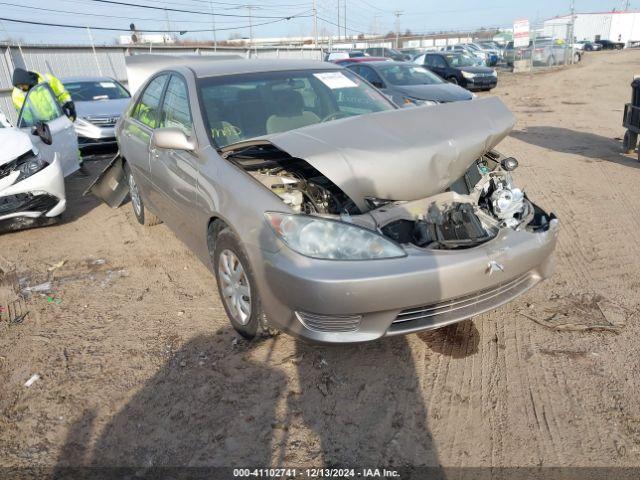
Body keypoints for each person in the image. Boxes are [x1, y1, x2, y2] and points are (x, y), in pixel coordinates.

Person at [12, 68, 76, 121]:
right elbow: (25, 114)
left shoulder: (46, 79)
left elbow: (61, 92)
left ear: (26, 80)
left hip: (60, 115)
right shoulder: (17, 94)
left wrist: (70, 106)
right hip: (44, 125)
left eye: (22, 85)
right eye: (18, 86)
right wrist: (32, 124)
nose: (21, 88)